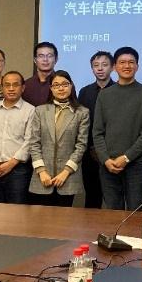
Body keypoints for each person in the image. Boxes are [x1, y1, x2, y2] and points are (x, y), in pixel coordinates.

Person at [92, 47, 142, 210]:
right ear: (114, 66)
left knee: (135, 211)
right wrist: (105, 159)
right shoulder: (104, 95)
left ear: (137, 66)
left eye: (131, 62)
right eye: (122, 62)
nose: (127, 66)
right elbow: (97, 132)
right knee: (113, 212)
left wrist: (126, 158)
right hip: (108, 165)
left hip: (137, 166)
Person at [28, 70, 90, 207]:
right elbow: (34, 143)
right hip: (42, 177)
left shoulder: (82, 112)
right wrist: (41, 171)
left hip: (68, 178)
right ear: (51, 88)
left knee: (63, 219)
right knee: (40, 218)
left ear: (71, 86)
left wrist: (66, 172)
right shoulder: (40, 111)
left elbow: (81, 145)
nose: (61, 88)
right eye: (56, 85)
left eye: (65, 84)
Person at [0, 71, 34, 204]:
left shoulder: (30, 110)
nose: (11, 88)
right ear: (2, 88)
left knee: (16, 212)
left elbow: (30, 141)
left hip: (17, 171)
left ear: (23, 88)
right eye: (7, 85)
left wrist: (11, 163)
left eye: (15, 85)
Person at [77, 50, 115, 208]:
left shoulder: (119, 90)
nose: (100, 68)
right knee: (92, 198)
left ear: (112, 67)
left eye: (104, 65)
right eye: (96, 65)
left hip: (113, 154)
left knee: (114, 199)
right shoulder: (84, 92)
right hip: (89, 154)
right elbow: (81, 123)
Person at [22, 42, 58, 106]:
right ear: (35, 60)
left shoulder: (63, 84)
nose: (45, 59)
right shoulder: (26, 85)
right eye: (41, 56)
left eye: (49, 56)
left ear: (56, 59)